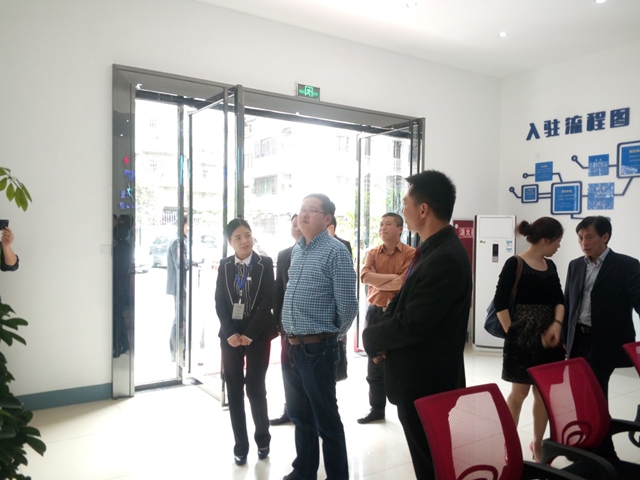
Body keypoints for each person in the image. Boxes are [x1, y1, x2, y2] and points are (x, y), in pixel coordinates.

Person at [362, 170, 472, 480]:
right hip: (421, 378)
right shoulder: (432, 249)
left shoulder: (444, 257)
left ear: (423, 209)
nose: (402, 210)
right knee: (429, 460)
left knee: (433, 464)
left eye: (405, 203)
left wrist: (372, 338)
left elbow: (413, 324)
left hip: (427, 382)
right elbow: (402, 304)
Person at [281, 193, 358, 480]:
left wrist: (332, 338)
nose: (303, 214)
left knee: (326, 420)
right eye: (302, 209)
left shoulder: (336, 251)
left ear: (327, 219)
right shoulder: (298, 250)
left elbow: (348, 305)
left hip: (318, 348)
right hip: (292, 346)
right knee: (300, 415)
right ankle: (304, 471)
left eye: (311, 210)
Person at [563, 215, 640, 460]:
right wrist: (564, 335)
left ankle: (604, 453)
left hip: (605, 342)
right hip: (578, 340)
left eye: (589, 237)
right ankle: (588, 445)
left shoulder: (627, 265)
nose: (583, 243)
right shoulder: (576, 265)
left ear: (605, 237)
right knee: (580, 395)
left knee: (595, 394)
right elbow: (568, 302)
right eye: (580, 238)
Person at [493, 217, 565, 463]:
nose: (558, 246)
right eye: (557, 241)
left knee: (543, 395)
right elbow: (500, 302)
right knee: (519, 394)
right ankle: (509, 446)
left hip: (548, 339)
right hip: (521, 338)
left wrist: (557, 324)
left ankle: (538, 444)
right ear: (545, 240)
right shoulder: (515, 263)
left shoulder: (550, 266)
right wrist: (512, 333)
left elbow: (559, 300)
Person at [215, 218, 277, 466]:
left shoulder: (265, 263)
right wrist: (230, 332)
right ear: (230, 242)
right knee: (234, 389)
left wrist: (250, 333)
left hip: (258, 334)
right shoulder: (225, 265)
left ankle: (263, 438)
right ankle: (240, 444)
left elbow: (268, 300)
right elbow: (220, 301)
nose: (245, 241)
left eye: (248, 235)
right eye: (238, 237)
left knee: (255, 387)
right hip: (230, 336)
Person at [357, 212, 415, 424]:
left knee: (399, 361)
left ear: (400, 229)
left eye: (388, 224)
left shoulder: (411, 253)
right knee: (374, 362)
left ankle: (405, 410)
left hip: (396, 313)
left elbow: (404, 283)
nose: (382, 227)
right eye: (381, 224)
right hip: (374, 311)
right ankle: (376, 409)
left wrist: (379, 280)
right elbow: (364, 277)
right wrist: (393, 279)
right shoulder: (372, 252)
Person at [270, 214, 303, 426]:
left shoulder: (323, 252)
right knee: (288, 373)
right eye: (294, 224)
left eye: (300, 223)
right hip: (287, 327)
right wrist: (277, 322)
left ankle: (312, 416)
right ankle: (290, 410)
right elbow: (278, 291)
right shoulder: (284, 255)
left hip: (312, 331)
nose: (297, 227)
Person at [166, 218, 188, 362]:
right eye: (188, 225)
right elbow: (180, 264)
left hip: (180, 285)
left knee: (181, 317)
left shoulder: (180, 240)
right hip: (178, 286)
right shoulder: (177, 242)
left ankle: (178, 349)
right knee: (180, 318)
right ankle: (176, 350)